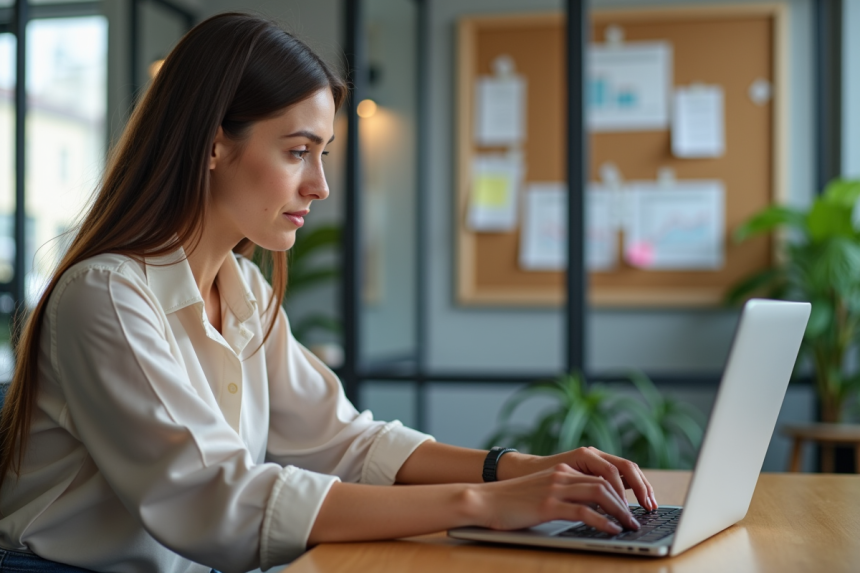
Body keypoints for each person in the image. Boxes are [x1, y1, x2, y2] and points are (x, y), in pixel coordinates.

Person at [0, 13, 656, 573]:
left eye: (323, 153)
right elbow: (215, 500)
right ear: (212, 146)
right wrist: (482, 504)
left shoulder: (243, 288)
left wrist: (516, 468)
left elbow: (344, 441)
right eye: (297, 151)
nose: (320, 185)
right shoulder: (106, 296)